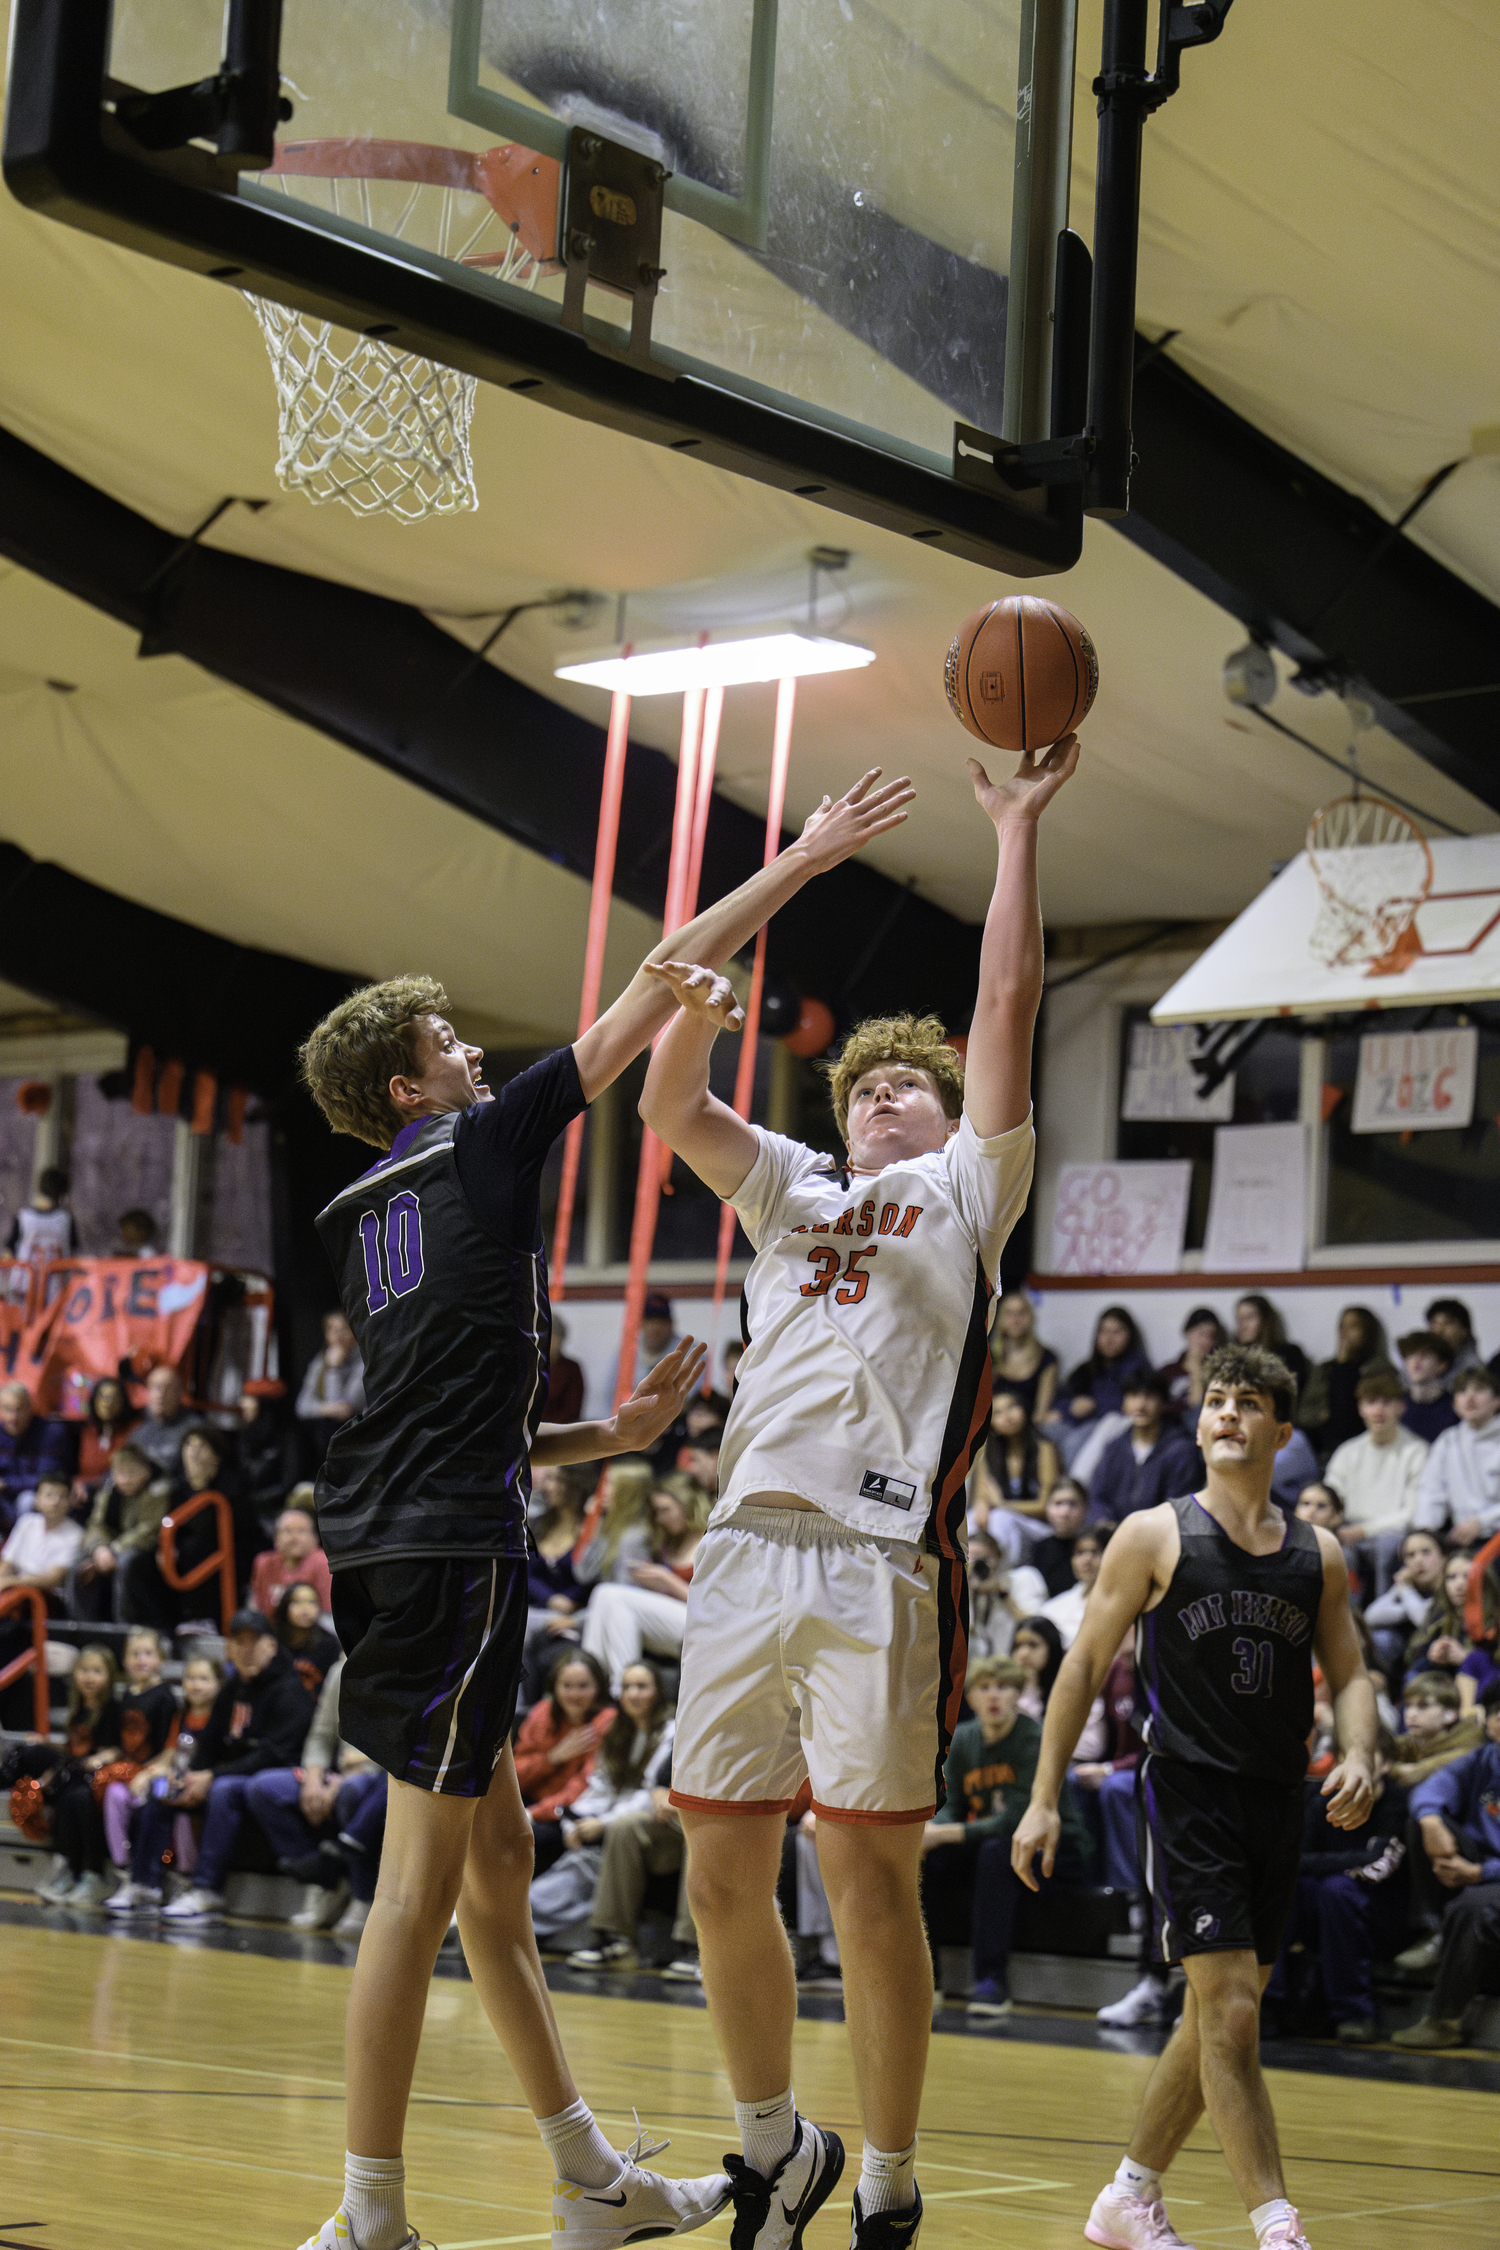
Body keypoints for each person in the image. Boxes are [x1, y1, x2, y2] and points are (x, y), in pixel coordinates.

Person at [292, 762, 910, 2250]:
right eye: (446, 1044)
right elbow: (657, 978)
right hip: (450, 1552)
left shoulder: (354, 1211)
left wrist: (608, 1436)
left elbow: (451, 1398)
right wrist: (804, 863)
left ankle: (594, 2183)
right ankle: (368, 2213)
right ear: (408, 1084)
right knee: (418, 1891)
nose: (470, 1053)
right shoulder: (484, 1136)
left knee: (498, 1875)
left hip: (383, 1531)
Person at [636, 732, 1075, 2250]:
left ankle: (887, 2176)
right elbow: (667, 1097)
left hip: (885, 1560)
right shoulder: (789, 1188)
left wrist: (1012, 830)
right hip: (744, 1554)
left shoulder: (967, 1190)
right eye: (869, 1081)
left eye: (913, 1082)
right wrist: (790, 877)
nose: (889, 1091)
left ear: (951, 1117)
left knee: (869, 1890)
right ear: (839, 1114)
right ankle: (775, 2150)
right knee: (716, 1875)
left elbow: (1008, 1001)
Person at [1012, 1343, 1377, 2250]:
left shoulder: (1317, 1554)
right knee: (1234, 2013)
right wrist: (1044, 1797)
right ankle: (1277, 2224)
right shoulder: (1153, 1534)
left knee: (1213, 2011)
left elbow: (1354, 1671)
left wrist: (1362, 1750)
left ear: (1281, 1431)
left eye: (1248, 1403)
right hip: (1185, 1792)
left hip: (1277, 1797)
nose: (1226, 1414)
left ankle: (1128, 2198)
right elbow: (1085, 1664)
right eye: (1215, 1400)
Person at [110, 1609, 315, 1924]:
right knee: (164, 1785)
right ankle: (143, 1883)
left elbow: (275, 1754)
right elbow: (209, 1745)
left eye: (254, 1642)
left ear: (271, 1646)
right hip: (228, 1772)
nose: (246, 1650)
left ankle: (207, 1889)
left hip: (275, 1776)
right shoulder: (232, 1690)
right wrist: (190, 1776)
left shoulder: (290, 1690)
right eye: (239, 1642)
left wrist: (210, 1776)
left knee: (222, 1789)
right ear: (229, 1649)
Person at [921, 1656, 1091, 2018]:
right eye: (984, 1687)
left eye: (1004, 1687)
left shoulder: (1034, 1738)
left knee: (997, 1851)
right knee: (931, 1858)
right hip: (994, 1846)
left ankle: (991, 1981)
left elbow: (1017, 1819)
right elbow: (949, 1803)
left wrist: (944, 1833)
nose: (994, 1696)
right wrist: (934, 1831)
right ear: (969, 1698)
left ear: (1019, 1694)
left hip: (1058, 1850)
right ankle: (926, 1977)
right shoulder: (964, 1738)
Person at [1263, 1738, 1408, 2044]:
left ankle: (1355, 2013)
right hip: (1323, 1907)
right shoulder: (1322, 1799)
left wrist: (1329, 1867)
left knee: (1337, 1890)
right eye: (1342, 1757)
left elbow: (1379, 1866)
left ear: (1385, 1764)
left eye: (1362, 1758)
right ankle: (1267, 2003)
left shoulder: (1396, 1803)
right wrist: (1353, 1860)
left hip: (1377, 1913)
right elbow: (1293, 1861)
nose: (1349, 1766)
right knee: (1282, 1886)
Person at [528, 1662, 673, 1952]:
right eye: (627, 1687)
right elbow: (598, 1787)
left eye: (641, 1687)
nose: (633, 1694)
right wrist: (574, 1822)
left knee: (543, 1898)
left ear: (658, 1692)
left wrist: (601, 1823)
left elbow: (649, 1793)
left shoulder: (670, 1732)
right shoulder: (617, 1730)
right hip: (606, 1823)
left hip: (642, 1824)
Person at [246, 1655, 389, 1940]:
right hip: (336, 1771)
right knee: (263, 1788)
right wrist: (313, 1779)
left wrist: (345, 1779)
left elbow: (401, 1747)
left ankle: (362, 1897)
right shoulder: (340, 1669)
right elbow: (321, 1735)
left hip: (376, 1775)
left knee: (352, 1792)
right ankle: (327, 1879)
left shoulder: (403, 1667)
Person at [1392, 1680, 1500, 2048]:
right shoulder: (1481, 1760)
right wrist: (1431, 1821)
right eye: (1499, 1713)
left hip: (1492, 1874)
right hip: (1479, 1862)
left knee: (1471, 1907)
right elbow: (1431, 1788)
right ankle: (1432, 1929)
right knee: (1419, 1819)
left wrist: (1481, 1873)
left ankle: (1444, 2022)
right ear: (1488, 1721)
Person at [582, 1476, 706, 1692]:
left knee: (612, 1595)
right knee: (605, 1598)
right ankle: (591, 1683)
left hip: (704, 1625)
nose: (659, 1518)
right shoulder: (667, 1542)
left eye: (665, 1510)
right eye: (656, 1512)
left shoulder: (710, 1542)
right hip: (671, 1625)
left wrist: (668, 1581)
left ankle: (621, 1690)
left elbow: (715, 1607)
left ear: (687, 1504)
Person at [29, 1645, 123, 1907]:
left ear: (110, 1676)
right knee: (63, 1795)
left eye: (97, 1671)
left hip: (102, 1778)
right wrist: (49, 1747)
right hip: (79, 1774)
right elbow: (74, 1751)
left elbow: (117, 1748)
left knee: (81, 1798)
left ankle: (95, 1875)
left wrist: (104, 1757)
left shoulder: (113, 1710)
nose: (89, 1677)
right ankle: (69, 1870)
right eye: (84, 1670)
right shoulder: (78, 1711)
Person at [1323, 1372, 1429, 1592]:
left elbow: (1412, 1512)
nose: (1378, 1411)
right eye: (1371, 1403)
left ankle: (1383, 1621)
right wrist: (1336, 1525)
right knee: (1335, 1551)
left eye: (1386, 1403)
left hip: (1392, 1535)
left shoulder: (1417, 1451)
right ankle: (1346, 1619)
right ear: (1361, 1409)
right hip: (1348, 1532)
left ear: (1401, 1407)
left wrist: (1363, 1531)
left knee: (1387, 1548)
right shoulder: (1348, 1451)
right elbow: (1329, 1497)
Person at [514, 1652, 615, 1872]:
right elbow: (514, 1775)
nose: (574, 1694)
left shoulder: (607, 1722)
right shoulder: (543, 1712)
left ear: (598, 1687)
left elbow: (585, 1786)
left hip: (568, 1814)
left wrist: (534, 1813)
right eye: (567, 1686)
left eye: (583, 1686)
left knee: (516, 1841)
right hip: (530, 1802)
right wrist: (552, 1758)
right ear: (554, 1687)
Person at [96, 1628, 180, 1883]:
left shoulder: (165, 1697)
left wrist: (147, 1773)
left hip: (159, 1772)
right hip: (130, 1770)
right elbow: (126, 1742)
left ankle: (153, 1873)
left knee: (151, 1801)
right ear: (124, 1660)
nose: (141, 1659)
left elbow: (170, 1749)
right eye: (134, 1654)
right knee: (112, 1794)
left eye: (148, 1653)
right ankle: (122, 1868)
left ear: (161, 1660)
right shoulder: (128, 1695)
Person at [69, 1443, 169, 1624]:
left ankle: (123, 1626)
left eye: (132, 1472)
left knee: (126, 1564)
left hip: (147, 1547)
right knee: (78, 1564)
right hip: (111, 1547)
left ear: (146, 1471)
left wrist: (113, 1550)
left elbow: (149, 1530)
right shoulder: (110, 1489)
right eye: (120, 1473)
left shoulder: (158, 1489)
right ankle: (82, 1626)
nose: (125, 1479)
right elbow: (96, 1525)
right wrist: (99, 1549)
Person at [1089, 1374, 1200, 1527]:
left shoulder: (1181, 1450)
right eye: (1134, 1396)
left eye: (1150, 1397)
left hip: (1161, 1537)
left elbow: (1178, 1507)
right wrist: (1105, 1523)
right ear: (1124, 1403)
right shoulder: (1114, 1448)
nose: (1141, 1405)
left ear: (1164, 1403)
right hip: (1114, 1536)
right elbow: (1098, 1496)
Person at [1053, 1307, 1151, 1469]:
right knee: (1045, 1432)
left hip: (1112, 1425)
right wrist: (1068, 1408)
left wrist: (1092, 1406)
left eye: (1116, 1332)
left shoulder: (1138, 1368)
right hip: (1079, 1422)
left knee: (1073, 1443)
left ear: (1130, 1335)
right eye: (1104, 1331)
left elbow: (1125, 1406)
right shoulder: (1088, 1367)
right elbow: (1062, 1396)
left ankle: (1071, 1490)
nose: (1109, 1339)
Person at [1414, 1365, 1500, 1542]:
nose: (1469, 1397)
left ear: (1497, 1400)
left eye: (1479, 1390)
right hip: (1461, 1537)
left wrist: (1482, 1523)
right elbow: (1431, 1492)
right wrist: (1425, 1533)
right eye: (1462, 1391)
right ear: (1454, 1403)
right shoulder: (1448, 1441)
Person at [1298, 1306, 1392, 1460]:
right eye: (1343, 1326)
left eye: (1353, 1326)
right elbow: (1303, 1414)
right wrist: (1320, 1415)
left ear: (1367, 1332)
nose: (1345, 1332)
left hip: (1367, 1445)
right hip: (1325, 1447)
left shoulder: (1379, 1369)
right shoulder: (1325, 1369)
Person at [1362, 1528, 1448, 1684]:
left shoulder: (1450, 1590)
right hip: (1406, 1660)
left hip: (1438, 1660)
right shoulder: (1408, 1590)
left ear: (1444, 1557)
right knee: (1379, 1638)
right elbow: (1370, 1616)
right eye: (1410, 1555)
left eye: (1426, 1552)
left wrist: (1406, 1591)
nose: (1418, 1560)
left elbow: (1424, 1621)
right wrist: (1401, 1589)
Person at [1388, 1670, 1483, 1789]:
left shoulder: (1469, 1748)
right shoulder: (1406, 1743)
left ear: (1450, 1714)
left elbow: (1411, 1775)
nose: (1411, 1714)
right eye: (1408, 1705)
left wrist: (1409, 1770)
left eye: (1423, 1706)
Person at [0, 1470, 83, 1606]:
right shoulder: (26, 1522)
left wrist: (10, 1582)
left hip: (46, 1597)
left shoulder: (75, 1535)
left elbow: (52, 1579)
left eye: (62, 1496)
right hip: (14, 1588)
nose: (55, 1502)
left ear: (69, 1502)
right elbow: (8, 1562)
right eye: (49, 1495)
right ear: (37, 1500)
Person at [971, 1390, 1058, 1521]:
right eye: (997, 1413)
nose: (1007, 1416)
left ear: (1024, 1408)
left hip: (1038, 1523)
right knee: (971, 1520)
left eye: (1011, 1406)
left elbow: (1046, 1505)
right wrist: (982, 1505)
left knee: (1001, 1519)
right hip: (1003, 1518)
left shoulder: (1044, 1448)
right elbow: (981, 1496)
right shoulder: (988, 1453)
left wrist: (1002, 1505)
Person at [297, 1310, 367, 1471]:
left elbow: (348, 1406)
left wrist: (334, 1369)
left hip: (358, 1432)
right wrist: (326, 1408)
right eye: (331, 1329)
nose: (337, 1335)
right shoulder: (321, 1362)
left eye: (343, 1328)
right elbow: (301, 1406)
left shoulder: (363, 1360)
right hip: (327, 1435)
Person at [0, 1380, 74, 1529]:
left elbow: (47, 1480)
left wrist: (7, 1484)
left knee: (26, 1501)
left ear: (30, 1408)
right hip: (4, 1498)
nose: (13, 1417)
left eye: (19, 1409)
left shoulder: (51, 1433)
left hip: (37, 1496)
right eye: (7, 1409)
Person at [251, 1502, 335, 1615]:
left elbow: (328, 1614)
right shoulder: (263, 1562)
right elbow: (255, 1609)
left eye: (301, 1531)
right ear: (275, 1538)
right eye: (287, 1531)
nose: (294, 1538)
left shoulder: (323, 1563)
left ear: (315, 1538)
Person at [989, 1289, 1058, 1424]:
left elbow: (1041, 1414)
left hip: (1030, 1429)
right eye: (1009, 1314)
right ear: (1000, 1318)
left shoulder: (1047, 1358)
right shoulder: (989, 1357)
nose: (1015, 1320)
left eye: (1021, 1313)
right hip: (995, 1428)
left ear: (1031, 1317)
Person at [129, 1363, 204, 1477]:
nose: (161, 1394)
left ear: (180, 1393)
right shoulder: (137, 1433)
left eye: (168, 1388)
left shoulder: (196, 1430)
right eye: (156, 1387)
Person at [1041, 1526, 1107, 1648]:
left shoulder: (1118, 1604)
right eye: (1080, 1553)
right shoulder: (1050, 1609)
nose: (1087, 1560)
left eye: (1095, 1552)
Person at [274, 1579, 343, 1695]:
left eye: (311, 1602)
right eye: (296, 1602)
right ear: (284, 1606)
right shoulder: (273, 1642)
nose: (305, 1609)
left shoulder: (329, 1645)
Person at [1157, 1307, 1225, 1420]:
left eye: (1211, 1336)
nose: (1205, 1341)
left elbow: (1197, 1406)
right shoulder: (1168, 1371)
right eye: (1201, 1334)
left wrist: (1197, 1372)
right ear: (1187, 1333)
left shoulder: (1219, 1373)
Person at [1234, 1296, 1309, 1396]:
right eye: (1239, 1319)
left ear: (1265, 1320)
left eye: (1249, 1318)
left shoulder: (1288, 1354)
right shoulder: (1234, 1357)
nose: (1243, 1326)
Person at [7, 1164, 77, 1269]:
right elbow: (73, 1249)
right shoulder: (66, 1218)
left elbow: (9, 1250)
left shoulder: (23, 1216)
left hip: (24, 1281)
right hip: (56, 1281)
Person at [75, 1376, 139, 1488]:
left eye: (114, 1398)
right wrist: (76, 1483)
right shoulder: (84, 1431)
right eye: (103, 1397)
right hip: (84, 1494)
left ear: (123, 1401)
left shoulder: (134, 1430)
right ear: (94, 1400)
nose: (108, 1403)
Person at [1398, 1331, 1459, 1446]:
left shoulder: (1455, 1407)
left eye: (1424, 1356)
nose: (1416, 1362)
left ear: (1442, 1365)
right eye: (1410, 1356)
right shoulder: (1396, 1406)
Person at [1012, 1615, 1066, 1719]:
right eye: (1017, 1646)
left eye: (1033, 1645)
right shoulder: (1002, 1689)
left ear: (1052, 1649)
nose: (1023, 1653)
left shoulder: (1072, 1690)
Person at [1425, 1297, 1481, 1384]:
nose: (1439, 1330)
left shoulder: (1474, 1370)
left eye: (1447, 1323)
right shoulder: (1420, 1365)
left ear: (1464, 1331)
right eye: (1434, 1323)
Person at [547, 1315, 586, 1426]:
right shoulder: (528, 1367)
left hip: (560, 1432)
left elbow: (572, 1410)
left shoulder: (571, 1369)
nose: (552, 1342)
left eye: (555, 1337)